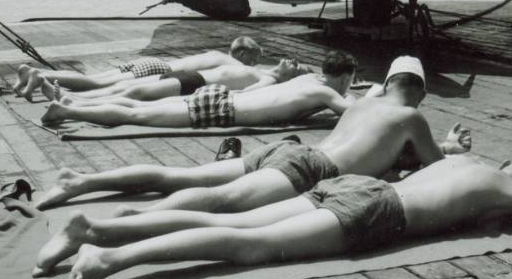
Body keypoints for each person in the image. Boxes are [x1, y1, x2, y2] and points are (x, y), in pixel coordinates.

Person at [33, 155, 512, 279]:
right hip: (378, 212)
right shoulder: (509, 191)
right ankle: (108, 259)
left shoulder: (469, 164)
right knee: (249, 246)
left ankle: (100, 229)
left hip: (362, 185)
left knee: (233, 216)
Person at [34, 56, 471, 214]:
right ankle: (137, 220)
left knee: (184, 174)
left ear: (389, 80)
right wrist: (449, 147)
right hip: (310, 166)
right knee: (220, 200)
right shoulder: (410, 118)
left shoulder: (363, 104)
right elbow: (437, 166)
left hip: (287, 152)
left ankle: (84, 181)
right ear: (420, 93)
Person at [39, 50, 358, 130]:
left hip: (221, 97)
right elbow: (351, 111)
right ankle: (68, 109)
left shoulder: (307, 81)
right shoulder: (327, 93)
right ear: (345, 78)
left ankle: (71, 103)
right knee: (139, 116)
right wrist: (367, 95)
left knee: (138, 107)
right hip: (223, 109)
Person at [13, 36, 262, 101]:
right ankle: (40, 78)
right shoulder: (233, 62)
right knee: (97, 84)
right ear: (240, 53)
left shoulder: (215, 53)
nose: (251, 65)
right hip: (156, 69)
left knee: (93, 78)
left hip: (148, 64)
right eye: (252, 59)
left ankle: (36, 74)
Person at [57, 57, 309, 108]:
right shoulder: (260, 69)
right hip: (188, 77)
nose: (291, 60)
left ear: (290, 77)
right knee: (124, 89)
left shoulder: (269, 80)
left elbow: (248, 93)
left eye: (296, 65)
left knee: (136, 93)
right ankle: (75, 99)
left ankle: (75, 102)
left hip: (194, 83)